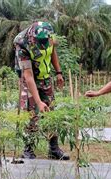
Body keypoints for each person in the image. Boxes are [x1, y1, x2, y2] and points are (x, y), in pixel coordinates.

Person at [14, 21, 69, 160]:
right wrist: (38, 101)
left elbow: (52, 52)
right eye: (40, 42)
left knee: (51, 112)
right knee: (31, 114)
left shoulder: (49, 36)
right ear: (33, 37)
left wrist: (58, 72)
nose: (44, 44)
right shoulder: (22, 45)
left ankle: (53, 149)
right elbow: (28, 75)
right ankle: (28, 149)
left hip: (45, 78)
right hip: (29, 81)